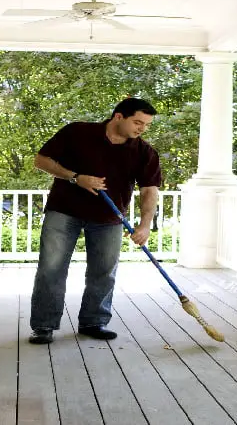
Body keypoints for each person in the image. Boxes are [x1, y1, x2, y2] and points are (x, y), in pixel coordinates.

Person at [28, 97, 162, 344]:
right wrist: (75, 177)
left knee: (103, 272)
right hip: (64, 211)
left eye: (146, 124)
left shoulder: (144, 151)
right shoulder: (77, 132)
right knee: (51, 269)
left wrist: (144, 225)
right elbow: (42, 161)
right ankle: (44, 326)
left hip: (109, 217)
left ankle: (94, 322)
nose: (142, 128)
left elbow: (149, 190)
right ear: (118, 116)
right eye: (138, 122)